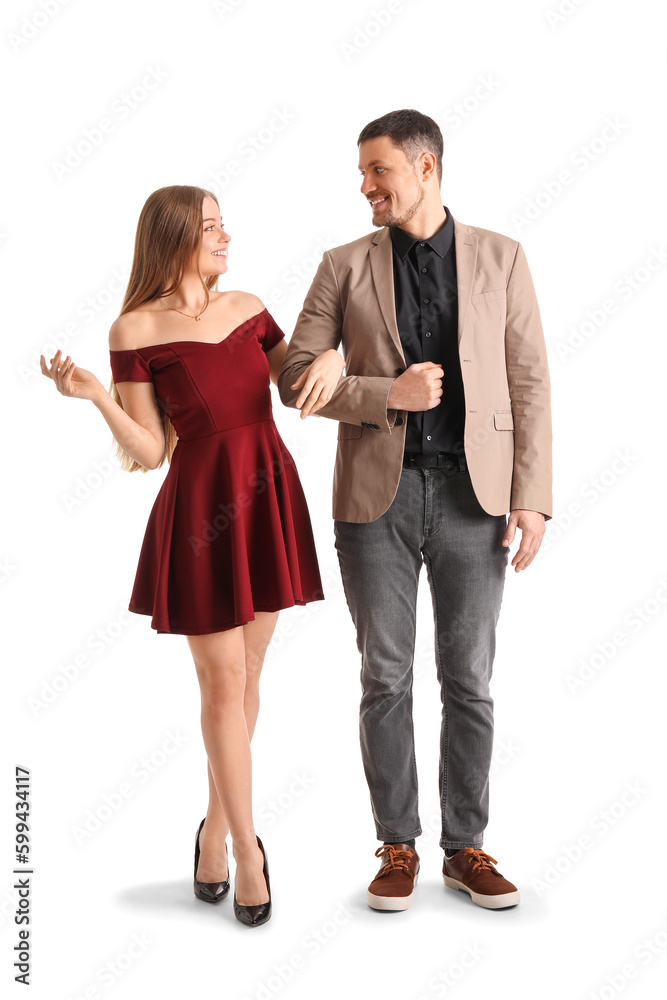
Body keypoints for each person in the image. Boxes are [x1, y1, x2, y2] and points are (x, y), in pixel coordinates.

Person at [40, 185, 344, 926]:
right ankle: (245, 847)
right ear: (174, 237)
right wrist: (95, 398)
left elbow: (297, 384)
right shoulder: (134, 329)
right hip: (203, 510)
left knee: (248, 678)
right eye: (209, 227)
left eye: (222, 223)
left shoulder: (247, 307)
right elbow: (147, 451)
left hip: (267, 491)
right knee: (223, 683)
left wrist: (332, 359)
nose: (225, 236)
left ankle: (211, 830)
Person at [277, 110, 552, 912]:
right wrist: (378, 395)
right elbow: (294, 375)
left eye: (377, 171)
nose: (364, 186)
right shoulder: (342, 265)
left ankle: (465, 848)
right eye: (362, 173)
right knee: (384, 676)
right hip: (375, 499)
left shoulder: (502, 257)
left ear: (424, 168)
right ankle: (396, 843)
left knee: (468, 679)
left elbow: (529, 379)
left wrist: (532, 496)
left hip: (476, 497)